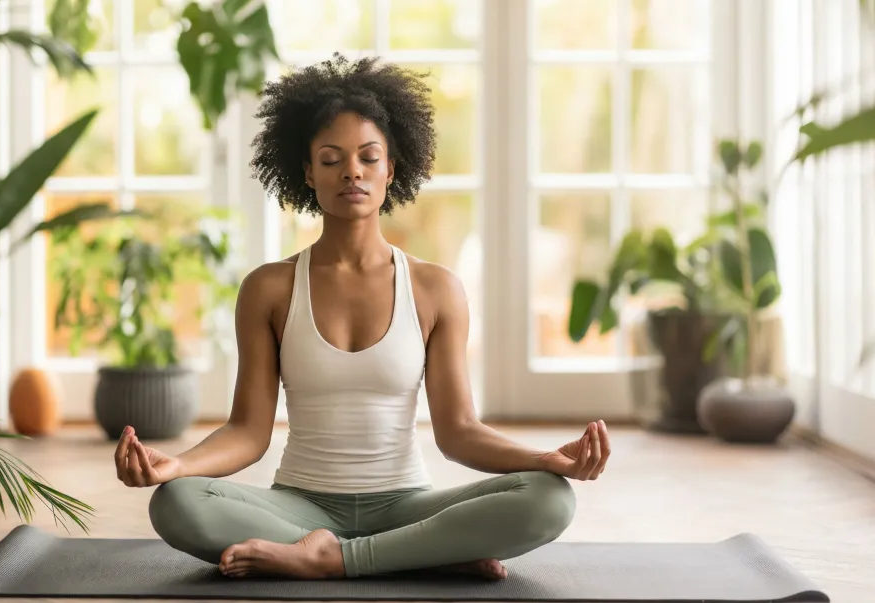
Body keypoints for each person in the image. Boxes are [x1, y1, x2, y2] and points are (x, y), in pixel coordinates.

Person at [113, 54, 611, 581]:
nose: (351, 170)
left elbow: (459, 431)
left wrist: (545, 459)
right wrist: (178, 465)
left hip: (407, 505)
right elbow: (247, 431)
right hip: (299, 508)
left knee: (548, 498)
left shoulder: (435, 288)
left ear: (391, 169)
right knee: (176, 503)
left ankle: (333, 558)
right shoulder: (270, 288)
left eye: (368, 157)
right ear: (307, 171)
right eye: (331, 159)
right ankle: (422, 553)